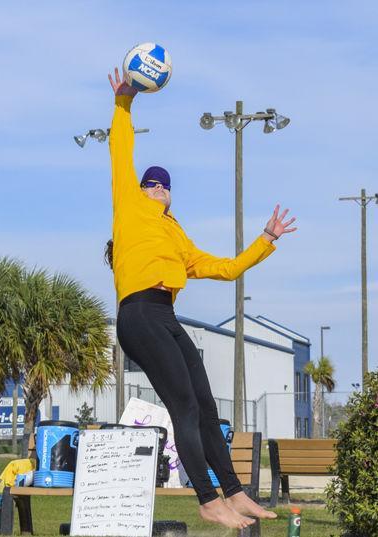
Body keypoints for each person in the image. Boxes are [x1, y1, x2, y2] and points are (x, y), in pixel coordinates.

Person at [108, 68, 296, 530]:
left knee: (208, 406)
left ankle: (235, 492)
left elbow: (227, 268)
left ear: (170, 196)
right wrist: (124, 102)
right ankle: (206, 498)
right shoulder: (128, 206)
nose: (156, 187)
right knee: (184, 407)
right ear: (140, 190)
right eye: (150, 183)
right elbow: (120, 148)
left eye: (163, 184)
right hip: (137, 314)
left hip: (166, 315)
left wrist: (265, 240)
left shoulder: (177, 237)